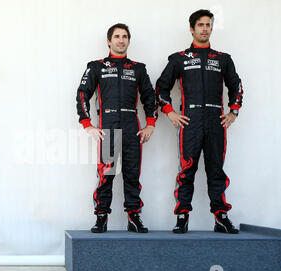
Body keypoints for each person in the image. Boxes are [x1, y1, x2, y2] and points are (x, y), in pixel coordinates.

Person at [156, 9, 243, 234]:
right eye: (200, 25)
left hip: (216, 122)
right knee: (186, 170)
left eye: (208, 25)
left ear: (212, 28)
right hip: (190, 122)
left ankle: (221, 217)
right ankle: (182, 217)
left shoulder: (223, 58)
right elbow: (160, 88)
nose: (205, 28)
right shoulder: (179, 58)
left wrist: (233, 111)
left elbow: (236, 86)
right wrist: (170, 112)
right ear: (192, 29)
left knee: (216, 170)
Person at [76, 23, 157, 233]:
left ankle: (134, 217)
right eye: (117, 36)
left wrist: (150, 123)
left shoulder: (138, 68)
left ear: (129, 41)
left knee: (132, 175)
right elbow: (83, 93)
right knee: (107, 174)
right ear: (109, 41)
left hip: (132, 126)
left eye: (125, 37)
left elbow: (150, 96)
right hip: (108, 125)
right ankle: (101, 218)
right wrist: (87, 124)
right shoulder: (97, 66)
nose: (121, 40)